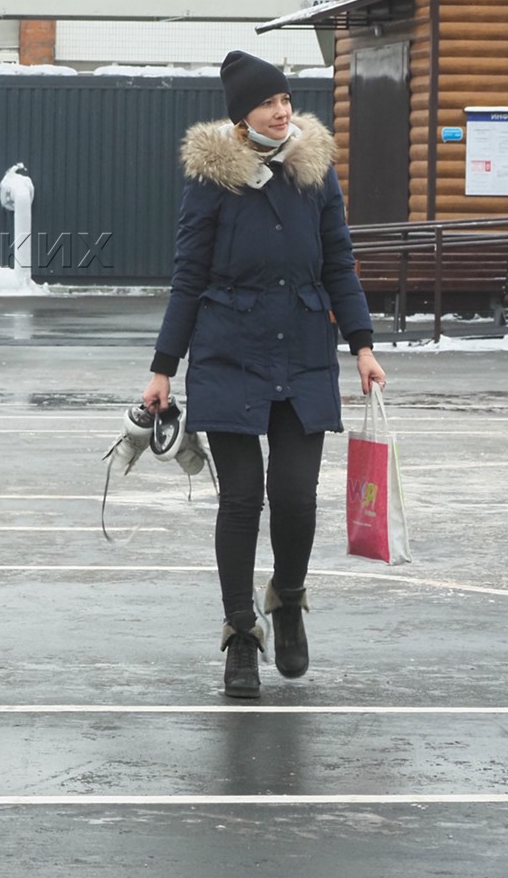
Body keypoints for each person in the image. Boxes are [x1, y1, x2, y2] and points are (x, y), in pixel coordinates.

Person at [144, 50, 386, 699]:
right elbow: (189, 275)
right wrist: (163, 368)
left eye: (285, 99)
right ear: (242, 116)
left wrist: (362, 345)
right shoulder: (212, 179)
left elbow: (339, 260)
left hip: (305, 348)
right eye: (269, 103)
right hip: (230, 353)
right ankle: (241, 635)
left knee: (297, 496)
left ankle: (287, 600)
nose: (283, 111)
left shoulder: (315, 169)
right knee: (243, 499)